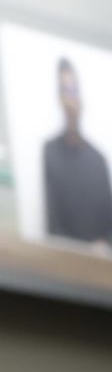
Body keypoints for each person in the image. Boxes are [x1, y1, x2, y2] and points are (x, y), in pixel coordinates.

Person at [43, 58, 112, 246]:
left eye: (73, 91)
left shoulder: (98, 159)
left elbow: (108, 220)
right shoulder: (50, 152)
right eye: (65, 91)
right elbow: (52, 221)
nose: (70, 101)